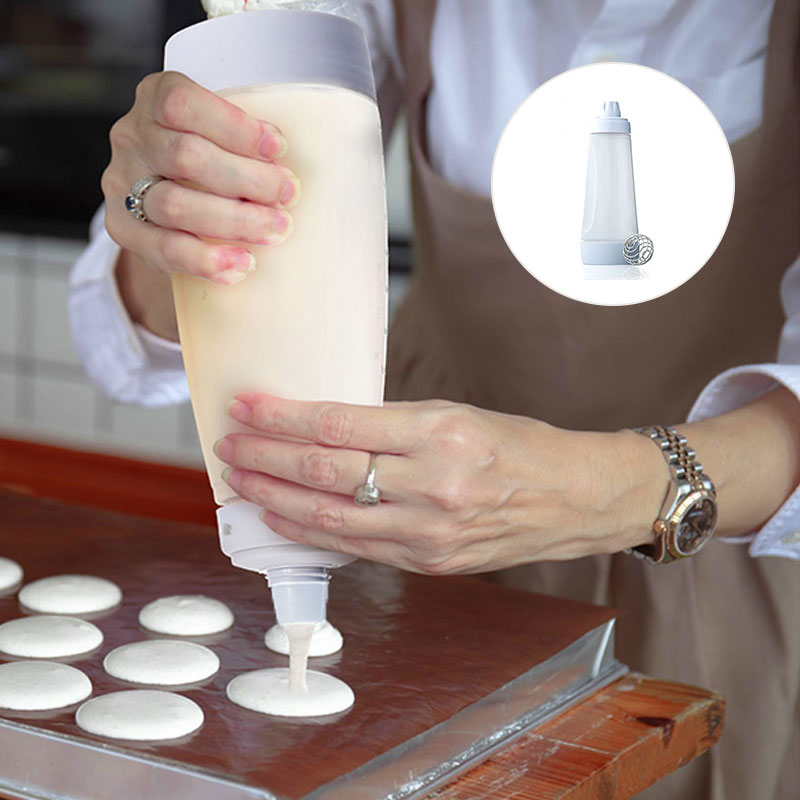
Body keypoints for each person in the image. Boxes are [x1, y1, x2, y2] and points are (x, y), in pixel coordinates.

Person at [70, 1, 800, 797]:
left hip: (723, 550)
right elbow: (135, 339)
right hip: (407, 549)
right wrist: (169, 207)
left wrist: (607, 489)